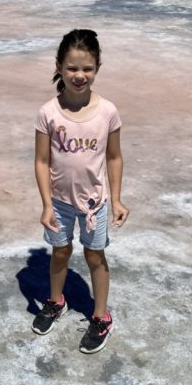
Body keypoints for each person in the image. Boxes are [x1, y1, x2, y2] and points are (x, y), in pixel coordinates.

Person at [32, 29, 128, 354]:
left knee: (94, 255)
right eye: (72, 68)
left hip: (94, 204)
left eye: (87, 68)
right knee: (60, 252)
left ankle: (100, 316)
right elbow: (42, 161)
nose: (79, 75)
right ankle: (55, 301)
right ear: (59, 66)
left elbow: (113, 158)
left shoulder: (107, 112)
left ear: (97, 68)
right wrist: (46, 204)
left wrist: (115, 199)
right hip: (59, 203)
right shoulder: (48, 113)